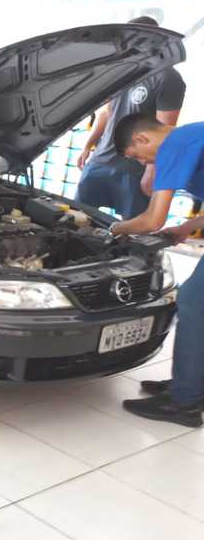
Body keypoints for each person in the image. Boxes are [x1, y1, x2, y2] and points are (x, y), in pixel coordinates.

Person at [110, 113, 204, 427]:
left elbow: (152, 220)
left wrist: (114, 228)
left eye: (137, 156)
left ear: (141, 139)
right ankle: (191, 384)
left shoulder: (173, 145)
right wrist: (187, 227)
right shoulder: (193, 134)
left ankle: (184, 403)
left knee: (194, 302)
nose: (142, 162)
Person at [76, 16, 185, 219]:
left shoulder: (168, 78)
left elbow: (165, 131)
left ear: (153, 40)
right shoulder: (121, 72)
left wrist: (151, 170)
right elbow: (107, 113)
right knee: (76, 217)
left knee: (132, 229)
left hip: (133, 170)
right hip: (100, 161)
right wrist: (88, 145)